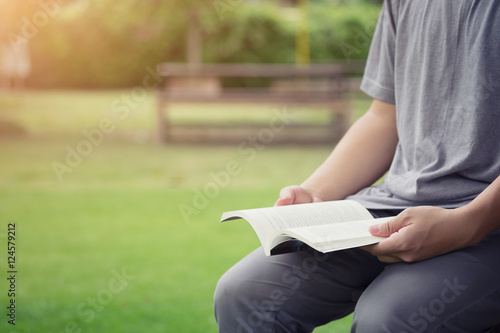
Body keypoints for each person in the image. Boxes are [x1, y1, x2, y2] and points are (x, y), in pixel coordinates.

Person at [214, 1, 500, 332]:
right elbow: (384, 116)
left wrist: (468, 223)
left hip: (487, 220)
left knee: (388, 319)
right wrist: (315, 191)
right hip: (391, 208)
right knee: (243, 294)